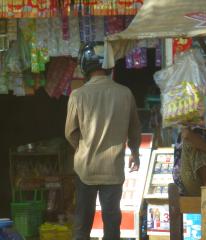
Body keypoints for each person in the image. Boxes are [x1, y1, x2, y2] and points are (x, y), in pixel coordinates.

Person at [65, 42, 141, 240]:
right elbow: (134, 129)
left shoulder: (77, 95)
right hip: (113, 169)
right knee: (112, 224)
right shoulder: (125, 93)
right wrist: (134, 153)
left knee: (82, 223)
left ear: (85, 64)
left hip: (85, 169)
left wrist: (83, 148)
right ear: (109, 64)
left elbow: (70, 133)